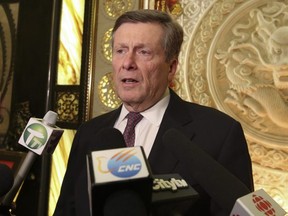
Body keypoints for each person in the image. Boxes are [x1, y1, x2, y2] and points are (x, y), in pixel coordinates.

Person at [54, 9, 254, 216]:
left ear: (172, 67)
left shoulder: (219, 133)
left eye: (143, 52)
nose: (127, 63)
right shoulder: (90, 133)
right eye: (120, 50)